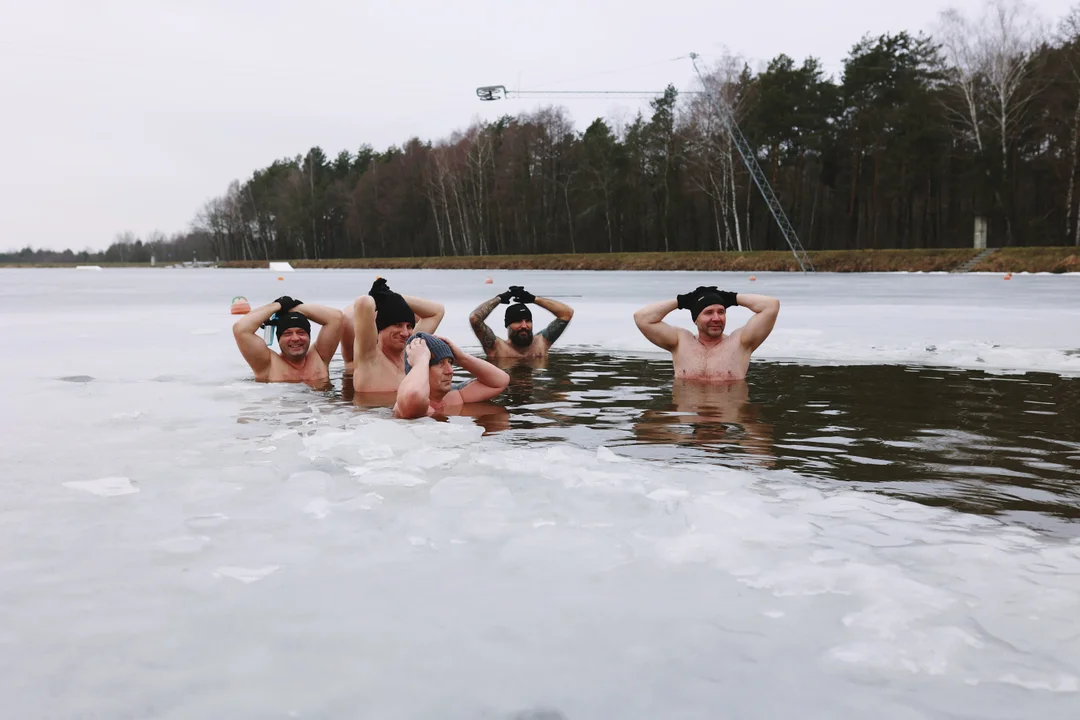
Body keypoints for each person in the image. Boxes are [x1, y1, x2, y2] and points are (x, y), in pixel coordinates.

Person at [633, 286, 779, 381]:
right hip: (689, 418)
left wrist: (731, 297)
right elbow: (642, 318)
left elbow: (771, 306)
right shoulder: (679, 342)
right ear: (696, 319)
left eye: (721, 312)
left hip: (726, 417)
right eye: (708, 312)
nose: (716, 318)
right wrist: (682, 301)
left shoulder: (741, 343)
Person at [344, 278, 445, 394]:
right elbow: (363, 303)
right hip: (372, 411)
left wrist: (392, 297)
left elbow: (438, 311)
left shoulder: (411, 353)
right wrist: (383, 299)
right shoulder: (369, 357)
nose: (405, 333)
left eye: (409, 326)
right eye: (397, 325)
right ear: (381, 328)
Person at [393, 332, 510, 419]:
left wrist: (462, 358)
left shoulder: (454, 397)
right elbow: (413, 396)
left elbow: (500, 381)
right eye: (439, 363)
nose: (450, 371)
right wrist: (421, 359)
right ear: (420, 367)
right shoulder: (406, 404)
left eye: (450, 362)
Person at [232, 296, 343, 387]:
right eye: (287, 334)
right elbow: (240, 329)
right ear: (279, 339)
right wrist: (277, 306)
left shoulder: (320, 356)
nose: (295, 338)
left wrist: (296, 307)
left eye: (301, 332)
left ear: (309, 336)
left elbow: (336, 317)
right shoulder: (267, 364)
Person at [468, 285, 574, 359]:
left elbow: (567, 313)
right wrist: (499, 299)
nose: (524, 326)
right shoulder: (497, 348)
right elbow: (475, 319)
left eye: (527, 321)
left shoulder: (542, 343)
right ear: (507, 325)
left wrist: (533, 299)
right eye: (518, 321)